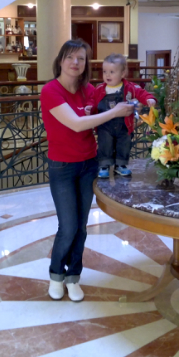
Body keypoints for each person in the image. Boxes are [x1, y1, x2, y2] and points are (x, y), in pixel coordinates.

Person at [40, 39, 134, 302]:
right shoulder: (51, 91)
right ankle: (56, 275)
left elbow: (110, 108)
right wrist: (114, 113)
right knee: (68, 226)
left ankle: (73, 277)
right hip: (62, 167)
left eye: (81, 58)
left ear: (86, 64)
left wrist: (131, 109)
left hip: (89, 164)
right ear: (60, 60)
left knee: (81, 227)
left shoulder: (90, 91)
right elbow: (77, 124)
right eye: (70, 57)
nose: (75, 62)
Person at [88, 53, 156, 178]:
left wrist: (149, 99)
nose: (107, 75)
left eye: (112, 72)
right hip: (104, 125)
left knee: (124, 144)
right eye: (105, 72)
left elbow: (142, 93)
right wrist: (89, 108)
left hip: (124, 125)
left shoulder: (130, 88)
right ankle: (104, 166)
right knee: (105, 144)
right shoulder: (99, 89)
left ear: (123, 73)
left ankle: (121, 165)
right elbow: (92, 101)